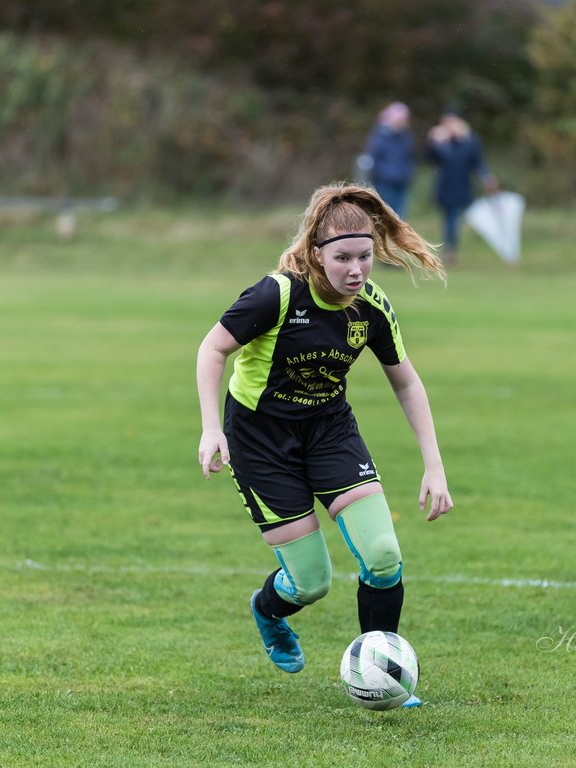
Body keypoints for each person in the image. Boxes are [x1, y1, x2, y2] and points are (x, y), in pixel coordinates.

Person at [196, 183, 453, 703]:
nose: (356, 270)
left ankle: (383, 675)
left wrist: (434, 466)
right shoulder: (277, 294)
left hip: (329, 430)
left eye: (365, 257)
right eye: (343, 258)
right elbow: (212, 349)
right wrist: (210, 427)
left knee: (382, 555)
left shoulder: (371, 308)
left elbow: (406, 381)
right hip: (260, 439)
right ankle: (268, 609)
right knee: (312, 582)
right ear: (316, 254)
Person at [425, 110, 496, 264]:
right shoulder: (443, 143)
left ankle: (451, 248)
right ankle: (450, 249)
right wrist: (434, 142)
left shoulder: (469, 142)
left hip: (463, 186)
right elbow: (431, 159)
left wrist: (486, 176)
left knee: (455, 218)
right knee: (450, 218)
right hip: (446, 187)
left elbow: (478, 162)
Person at [363, 102, 415, 219]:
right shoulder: (379, 136)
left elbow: (408, 158)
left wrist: (407, 175)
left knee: (400, 219)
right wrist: (383, 176)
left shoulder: (406, 136)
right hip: (383, 184)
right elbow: (374, 159)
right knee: (384, 217)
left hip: (401, 183)